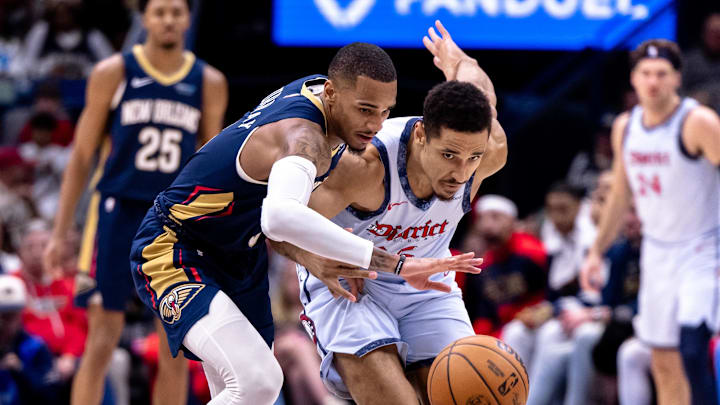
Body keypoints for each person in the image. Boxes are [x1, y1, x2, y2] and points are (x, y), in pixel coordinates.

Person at [129, 30, 482, 405]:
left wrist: (463, 65)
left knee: (247, 392)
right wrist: (395, 264)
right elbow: (278, 216)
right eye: (365, 109)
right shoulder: (305, 138)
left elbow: (278, 223)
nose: (376, 125)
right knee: (258, 382)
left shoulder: (327, 97)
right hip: (175, 248)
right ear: (331, 94)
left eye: (385, 112)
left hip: (237, 256)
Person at [274, 21, 507, 404]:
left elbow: (480, 90)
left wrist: (460, 60)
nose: (462, 173)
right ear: (420, 136)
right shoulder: (364, 167)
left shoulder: (490, 152)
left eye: (472, 158)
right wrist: (317, 258)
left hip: (428, 287)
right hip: (350, 283)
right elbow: (279, 224)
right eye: (449, 155)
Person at [42, 0, 229, 404]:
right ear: (144, 18)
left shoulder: (208, 81)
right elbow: (81, 155)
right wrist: (60, 232)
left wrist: (214, 232)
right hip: (116, 211)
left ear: (187, 19)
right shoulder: (114, 72)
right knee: (102, 337)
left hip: (172, 220)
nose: (168, 20)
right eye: (159, 11)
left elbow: (211, 164)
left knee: (174, 344)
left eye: (176, 12)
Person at [581, 39, 720, 405]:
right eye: (645, 73)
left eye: (662, 73)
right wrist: (596, 251)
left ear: (677, 78)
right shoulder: (625, 127)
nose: (653, 81)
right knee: (663, 362)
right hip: (657, 254)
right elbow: (620, 195)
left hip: (702, 250)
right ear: (634, 79)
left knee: (693, 349)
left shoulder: (698, 122)